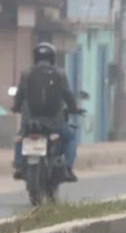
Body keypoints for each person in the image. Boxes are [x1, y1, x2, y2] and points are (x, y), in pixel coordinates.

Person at [11, 42, 81, 182]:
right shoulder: (60, 74)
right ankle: (67, 168)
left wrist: (16, 107)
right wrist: (74, 108)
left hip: (30, 122)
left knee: (21, 138)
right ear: (53, 57)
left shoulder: (27, 73)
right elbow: (67, 94)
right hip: (54, 123)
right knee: (71, 137)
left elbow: (20, 95)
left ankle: (19, 165)